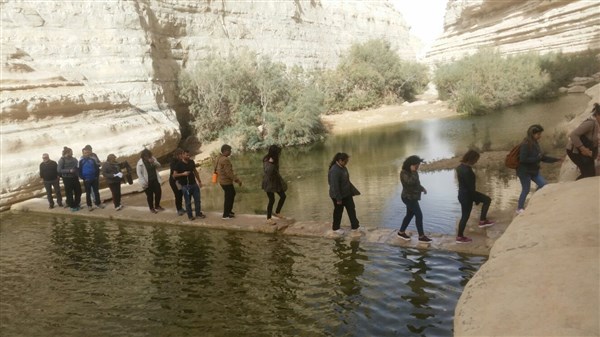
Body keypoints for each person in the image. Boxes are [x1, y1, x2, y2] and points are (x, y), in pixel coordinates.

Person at [516, 124, 562, 214]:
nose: (540, 136)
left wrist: (556, 159)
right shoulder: (525, 144)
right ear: (532, 134)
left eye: (540, 134)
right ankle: (519, 208)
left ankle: (533, 200)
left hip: (533, 171)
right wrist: (537, 158)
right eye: (538, 134)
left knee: (543, 185)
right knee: (526, 189)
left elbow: (542, 158)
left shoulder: (535, 143)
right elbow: (523, 159)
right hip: (524, 172)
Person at [455, 150, 495, 244]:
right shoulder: (467, 170)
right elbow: (471, 188)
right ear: (471, 159)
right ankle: (460, 237)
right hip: (467, 195)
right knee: (465, 216)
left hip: (462, 194)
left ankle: (482, 220)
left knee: (486, 200)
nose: (476, 161)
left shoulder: (460, 167)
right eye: (476, 159)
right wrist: (476, 199)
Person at [397, 155, 432, 243]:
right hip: (408, 198)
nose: (418, 167)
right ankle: (421, 236)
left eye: (418, 165)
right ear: (411, 164)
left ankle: (401, 232)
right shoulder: (404, 173)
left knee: (409, 215)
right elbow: (410, 183)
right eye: (416, 165)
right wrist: (413, 171)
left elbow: (416, 183)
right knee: (419, 215)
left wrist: (422, 188)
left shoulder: (414, 172)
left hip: (413, 197)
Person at [328, 152, 360, 234]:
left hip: (347, 193)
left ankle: (355, 227)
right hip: (337, 196)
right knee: (338, 211)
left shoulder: (343, 167)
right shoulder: (334, 170)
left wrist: (352, 190)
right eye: (345, 161)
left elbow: (346, 181)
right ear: (340, 160)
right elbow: (334, 186)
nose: (346, 163)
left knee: (351, 209)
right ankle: (335, 228)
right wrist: (338, 198)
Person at [566, 103, 599, 180]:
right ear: (597, 115)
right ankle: (574, 188)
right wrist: (583, 149)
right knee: (587, 174)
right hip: (575, 151)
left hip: (587, 151)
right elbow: (573, 135)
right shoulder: (590, 123)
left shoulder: (597, 124)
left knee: (591, 173)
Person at [173, 149, 205, 220]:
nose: (188, 156)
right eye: (187, 155)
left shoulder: (191, 162)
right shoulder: (179, 164)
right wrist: (183, 174)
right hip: (185, 186)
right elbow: (174, 175)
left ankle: (198, 214)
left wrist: (199, 181)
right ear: (182, 155)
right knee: (188, 202)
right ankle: (190, 216)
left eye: (189, 155)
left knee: (197, 200)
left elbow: (195, 171)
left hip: (194, 184)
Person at [261, 145, 287, 225]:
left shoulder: (275, 158)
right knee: (271, 200)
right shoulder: (267, 160)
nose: (279, 154)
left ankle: (277, 212)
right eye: (278, 152)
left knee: (283, 196)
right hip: (268, 182)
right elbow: (267, 171)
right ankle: (269, 218)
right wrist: (271, 163)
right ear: (274, 153)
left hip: (275, 181)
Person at [216, 144, 242, 219]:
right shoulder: (225, 159)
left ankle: (229, 211)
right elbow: (229, 173)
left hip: (221, 180)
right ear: (225, 151)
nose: (230, 152)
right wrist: (237, 180)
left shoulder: (218, 158)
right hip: (226, 182)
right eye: (229, 151)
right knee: (229, 196)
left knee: (231, 194)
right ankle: (226, 215)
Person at [136, 148, 163, 213]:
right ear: (143, 156)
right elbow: (139, 174)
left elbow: (159, 166)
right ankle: (151, 208)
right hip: (146, 182)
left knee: (158, 192)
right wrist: (144, 183)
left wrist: (154, 162)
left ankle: (157, 205)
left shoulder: (152, 159)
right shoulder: (140, 163)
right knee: (150, 195)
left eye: (148, 155)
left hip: (155, 179)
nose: (147, 157)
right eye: (146, 156)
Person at [79, 147, 105, 211]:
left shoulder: (92, 159)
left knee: (96, 192)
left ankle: (98, 203)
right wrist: (83, 178)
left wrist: (96, 176)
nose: (87, 154)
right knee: (88, 193)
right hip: (86, 179)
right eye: (85, 153)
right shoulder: (81, 161)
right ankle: (89, 205)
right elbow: (79, 171)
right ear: (83, 153)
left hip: (94, 178)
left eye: (87, 152)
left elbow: (96, 168)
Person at [57, 147, 81, 212]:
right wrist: (69, 170)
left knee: (78, 191)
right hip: (67, 178)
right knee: (69, 192)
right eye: (70, 152)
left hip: (75, 177)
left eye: (71, 152)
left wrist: (78, 174)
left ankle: (77, 203)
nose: (72, 153)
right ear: (66, 153)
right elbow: (59, 170)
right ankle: (72, 205)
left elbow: (77, 167)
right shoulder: (62, 160)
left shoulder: (74, 159)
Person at [169, 148, 186, 216]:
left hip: (179, 180)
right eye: (182, 154)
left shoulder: (180, 161)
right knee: (177, 195)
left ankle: (181, 208)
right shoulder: (174, 162)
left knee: (181, 194)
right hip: (175, 181)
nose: (183, 155)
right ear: (178, 155)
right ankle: (179, 209)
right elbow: (174, 174)